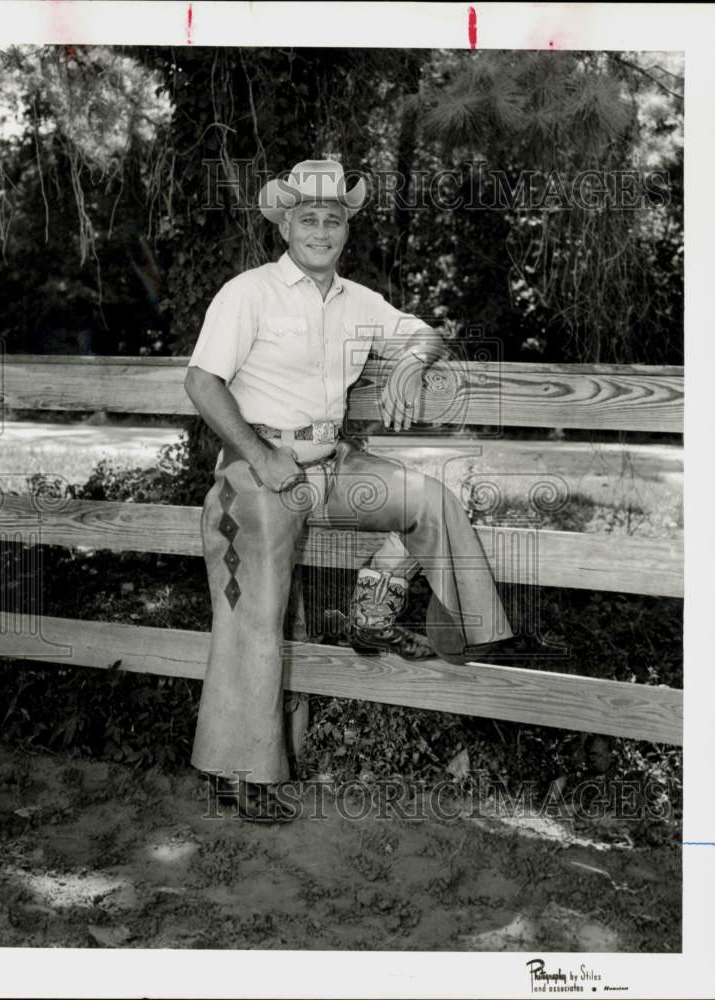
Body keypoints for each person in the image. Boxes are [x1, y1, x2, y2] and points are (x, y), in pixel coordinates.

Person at [184, 159, 519, 823]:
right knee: (255, 613)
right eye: (307, 218)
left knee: (431, 498)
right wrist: (259, 454)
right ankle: (239, 772)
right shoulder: (246, 293)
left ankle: (454, 629)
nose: (320, 230)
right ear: (284, 224)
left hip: (330, 467)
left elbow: (428, 330)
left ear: (346, 229)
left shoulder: (358, 301)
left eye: (332, 219)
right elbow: (201, 383)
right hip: (256, 473)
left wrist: (414, 362)